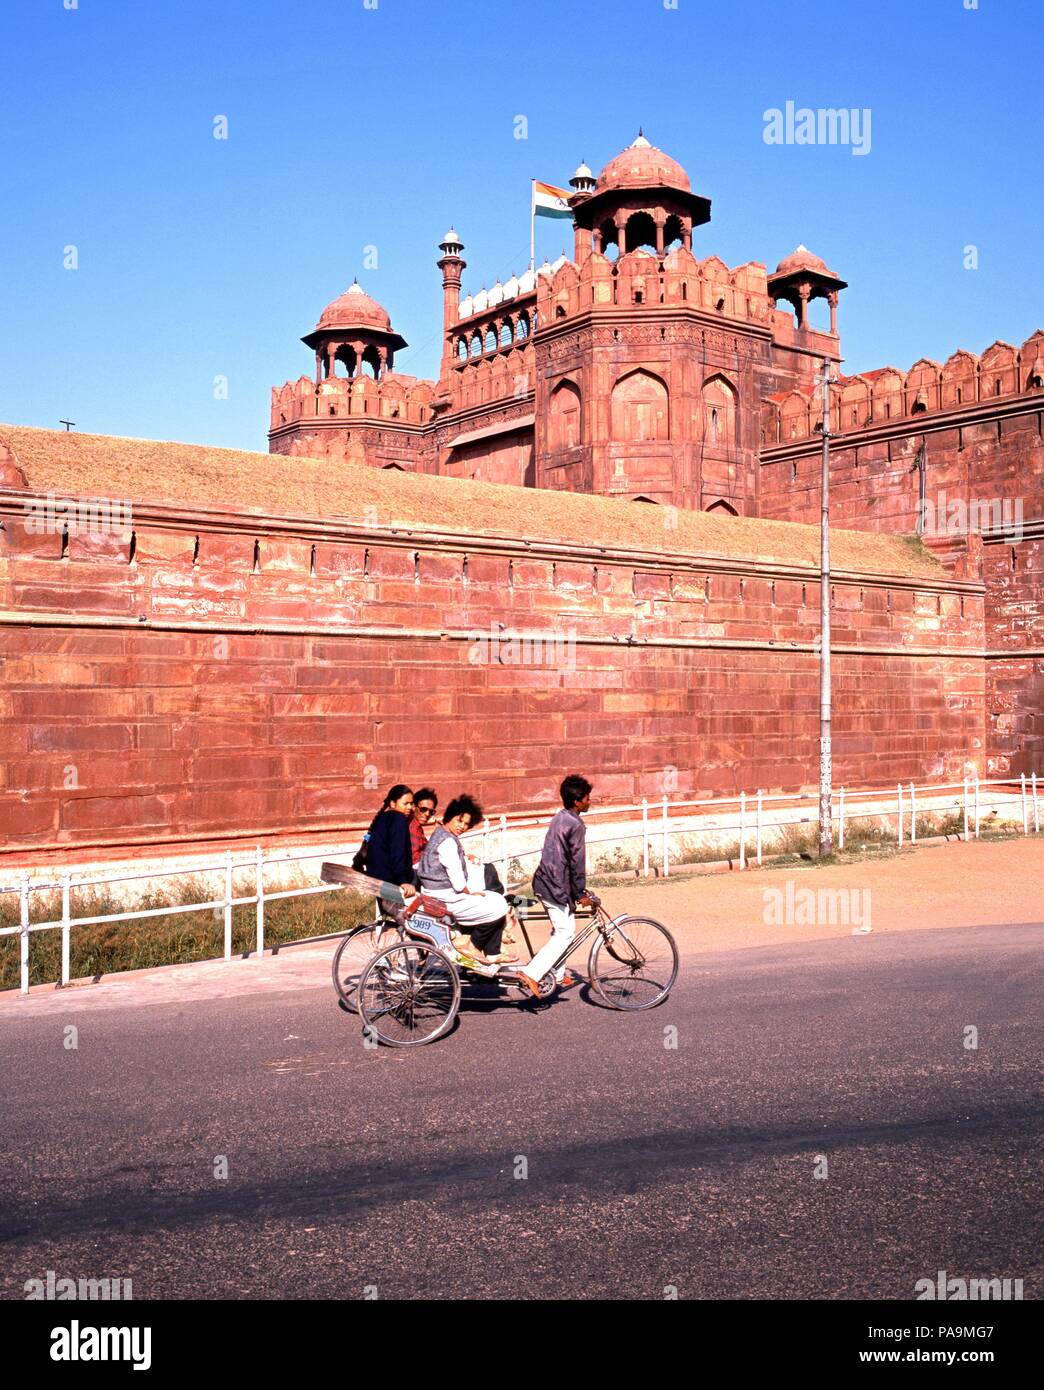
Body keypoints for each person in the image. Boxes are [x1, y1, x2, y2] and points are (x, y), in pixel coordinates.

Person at [517, 775, 593, 998]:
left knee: (564, 927)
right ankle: (532, 973)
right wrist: (579, 893)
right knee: (565, 932)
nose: (590, 801)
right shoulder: (576, 824)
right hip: (555, 886)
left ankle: (558, 975)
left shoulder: (560, 817)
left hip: (547, 881)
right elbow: (576, 862)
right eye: (588, 798)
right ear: (577, 801)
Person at [416, 795, 516, 964]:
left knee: (496, 899)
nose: (462, 827)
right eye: (459, 821)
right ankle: (472, 944)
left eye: (466, 824)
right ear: (449, 818)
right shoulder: (447, 842)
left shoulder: (440, 833)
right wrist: (470, 893)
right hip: (444, 898)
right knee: (498, 905)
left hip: (437, 892)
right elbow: (457, 880)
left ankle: (493, 952)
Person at [352, 785, 417, 899]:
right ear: (392, 803)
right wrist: (403, 880)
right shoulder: (399, 819)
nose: (410, 807)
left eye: (411, 804)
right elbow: (398, 852)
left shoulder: (382, 818)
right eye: (405, 803)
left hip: (377, 879)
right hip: (391, 882)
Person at [409, 787, 438, 867]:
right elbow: (414, 859)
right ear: (414, 807)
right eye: (423, 809)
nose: (427, 814)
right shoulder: (411, 827)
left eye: (431, 812)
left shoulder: (417, 826)